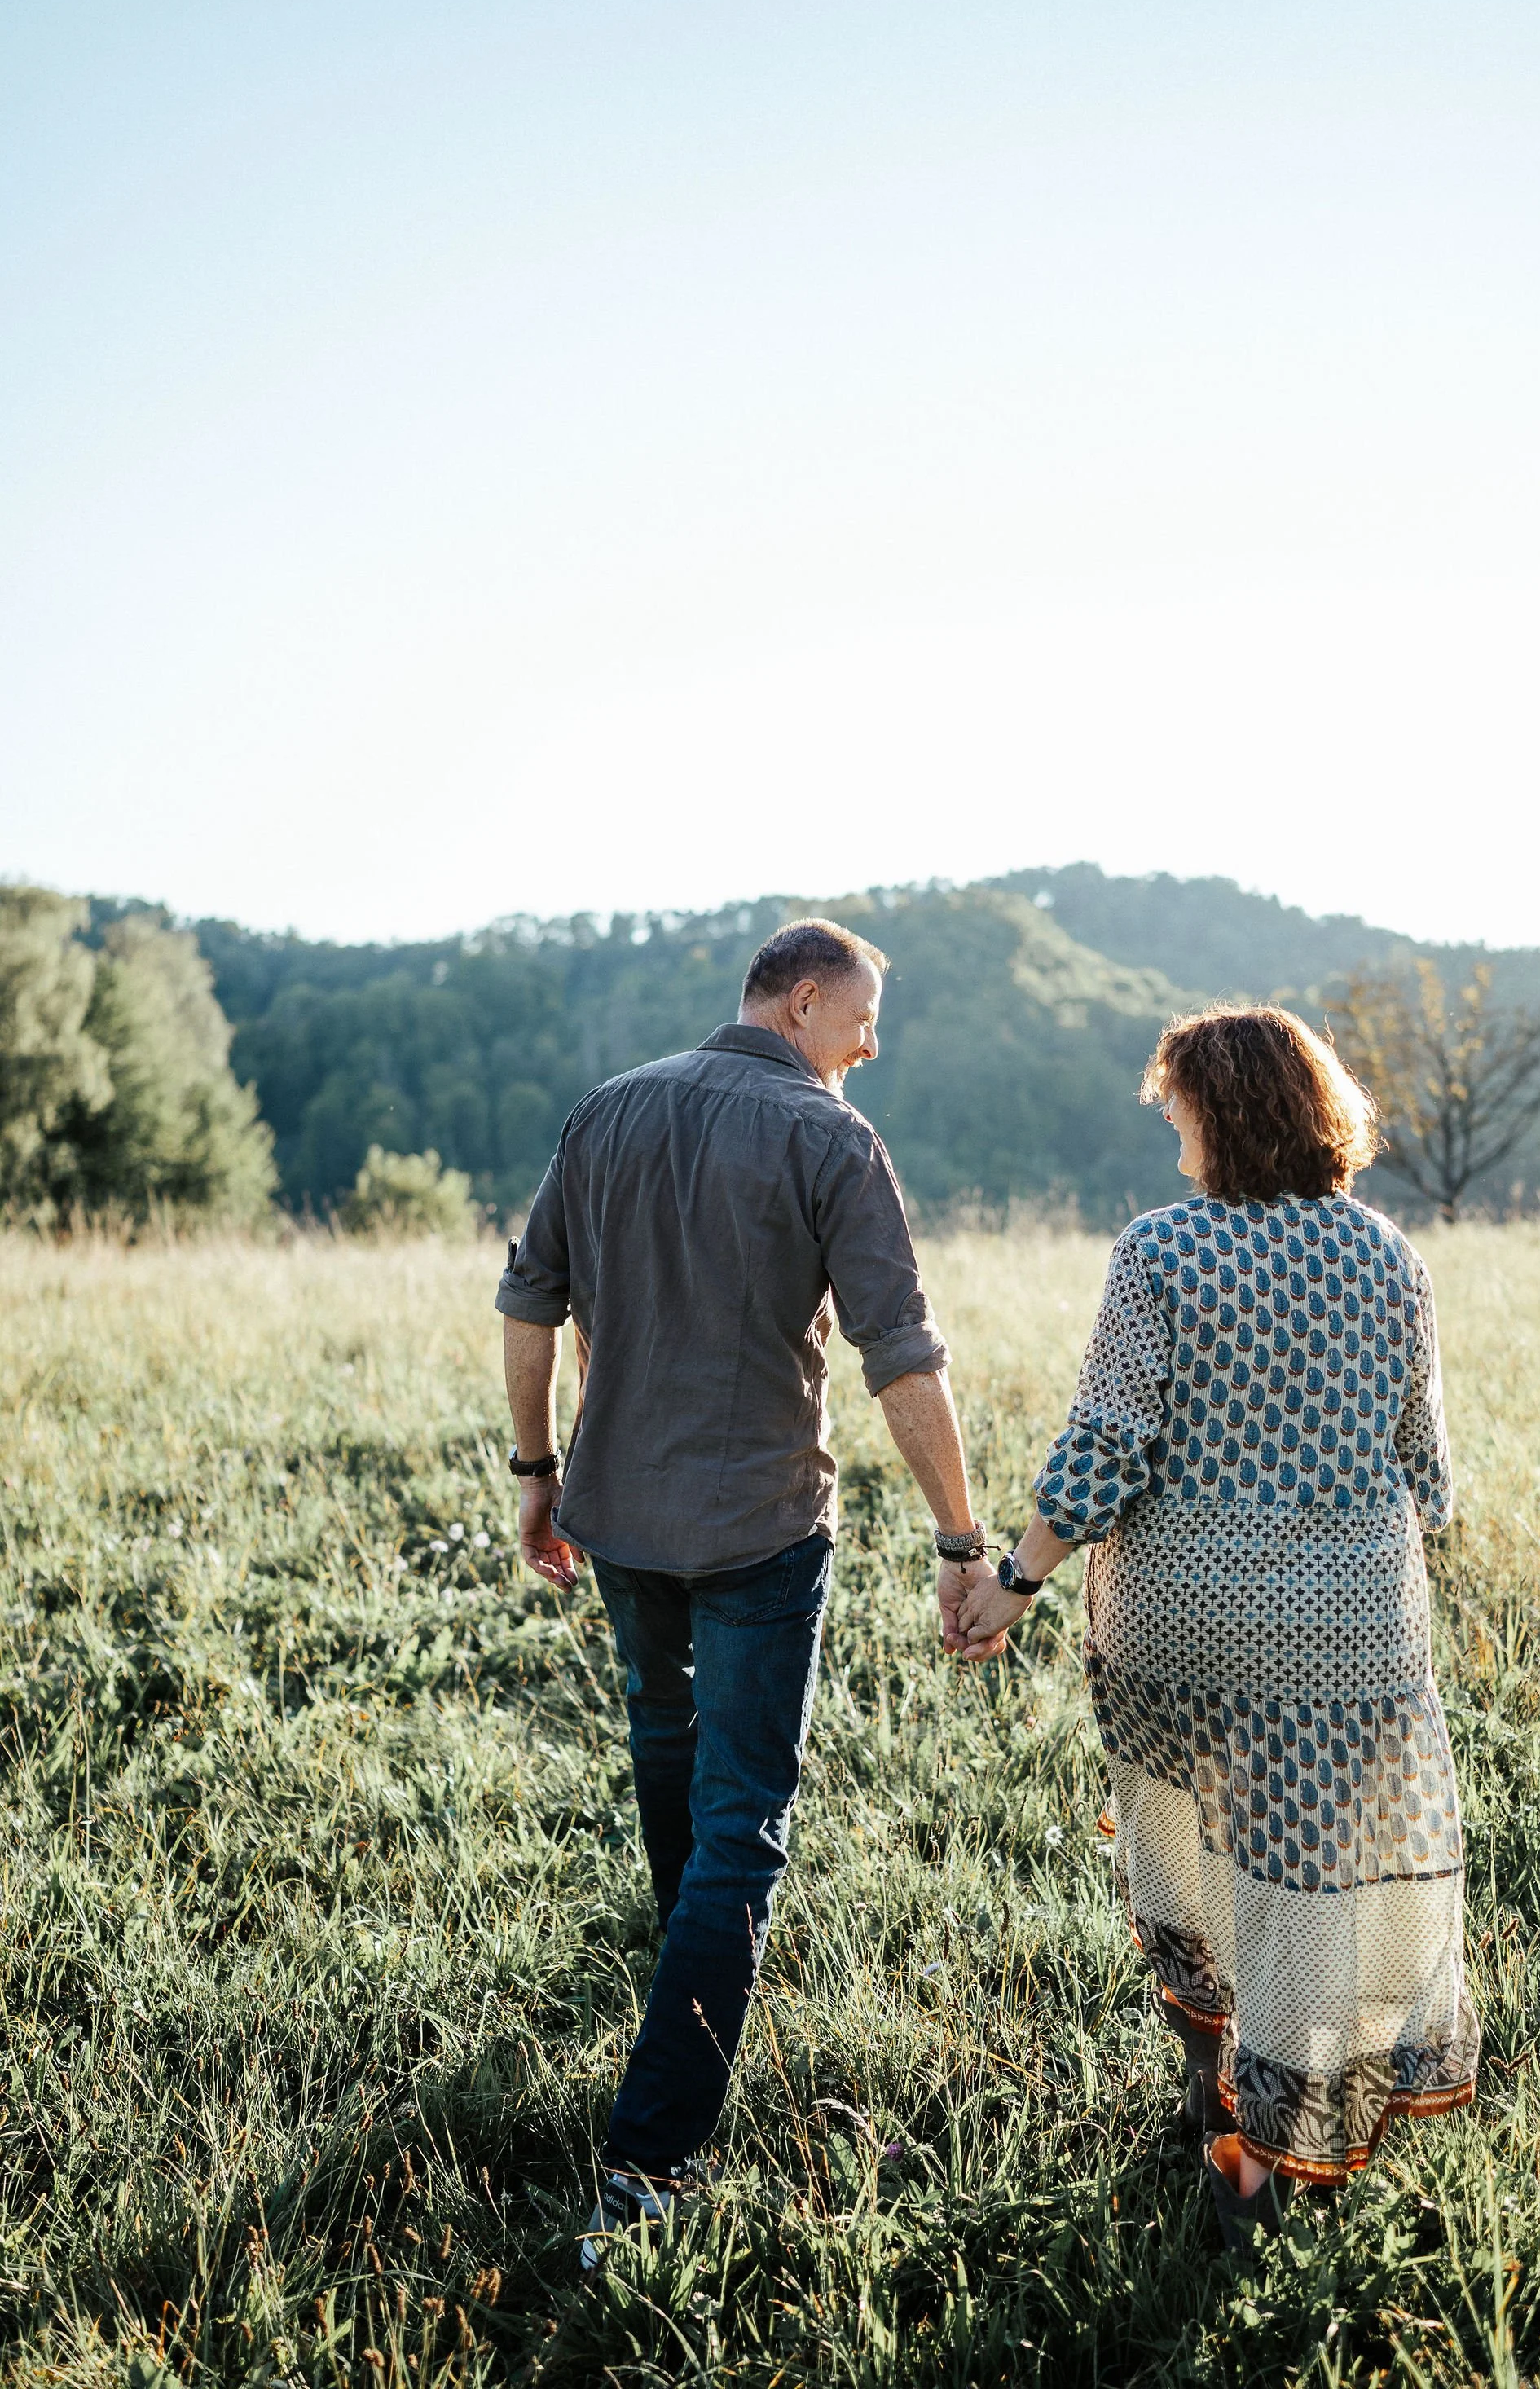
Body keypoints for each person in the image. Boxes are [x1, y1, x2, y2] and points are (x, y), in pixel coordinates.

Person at [496, 917, 998, 2269]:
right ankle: (647, 2165)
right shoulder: (833, 1140)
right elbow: (903, 1354)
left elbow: (526, 1303)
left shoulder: (606, 1112)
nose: (871, 1044)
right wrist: (962, 1540)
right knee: (743, 1826)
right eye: (864, 1017)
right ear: (803, 995)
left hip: (621, 1518)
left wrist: (536, 1471)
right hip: (764, 1527)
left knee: (669, 1745)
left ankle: (686, 1985)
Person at [957, 1005, 1479, 2247]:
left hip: (1180, 1629)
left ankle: (1221, 2104)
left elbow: (1104, 1450)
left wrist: (1016, 1583)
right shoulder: (1386, 1256)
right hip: (1348, 1639)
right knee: (1306, 1881)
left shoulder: (1161, 1253)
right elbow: (1430, 1474)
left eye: (1178, 1102)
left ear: (1223, 1109)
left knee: (1191, 1855)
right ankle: (1267, 2145)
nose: (1170, 1124)